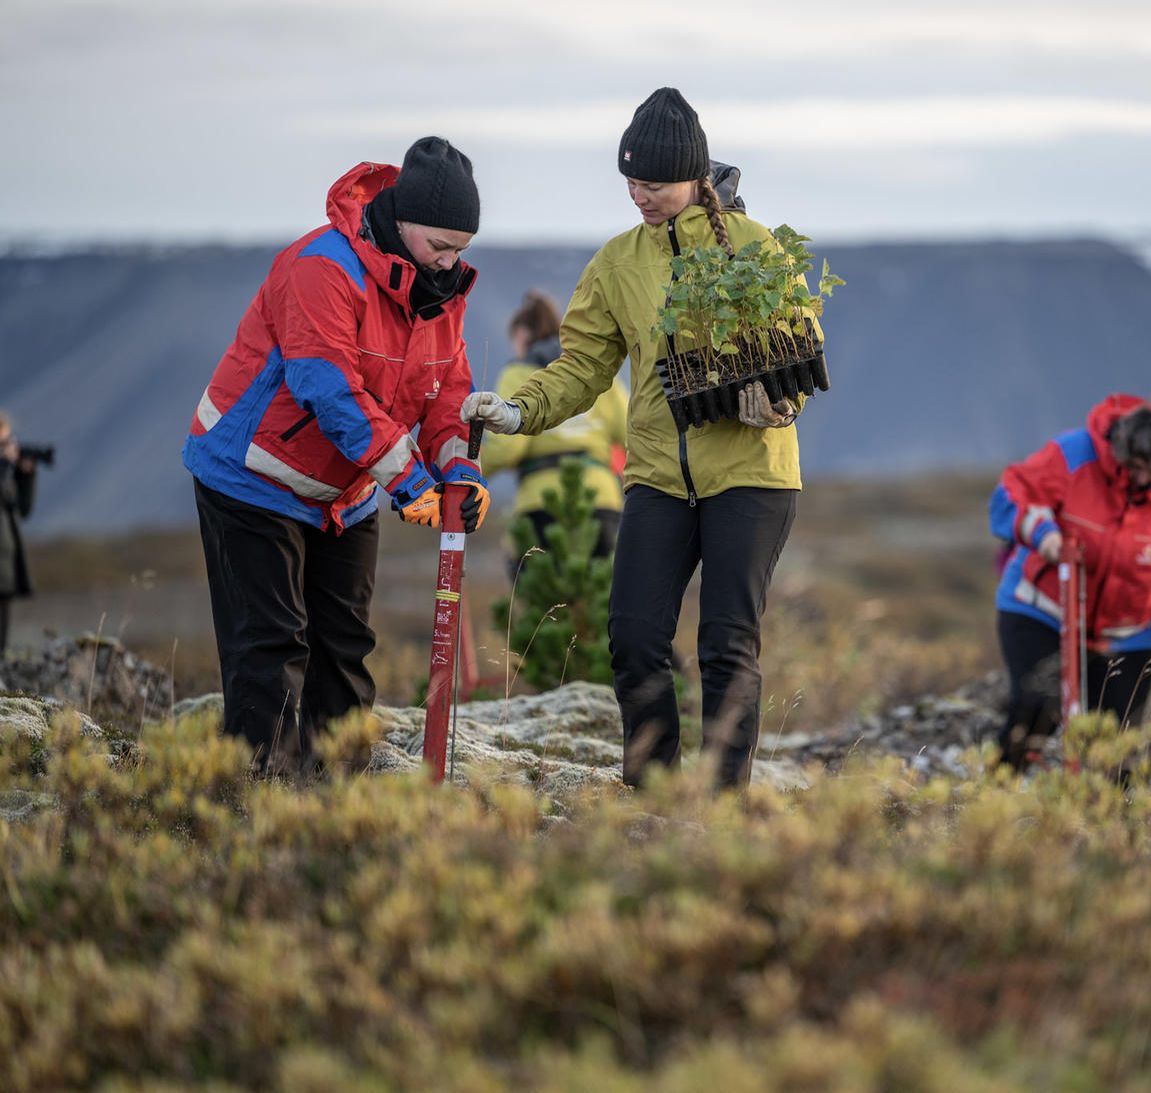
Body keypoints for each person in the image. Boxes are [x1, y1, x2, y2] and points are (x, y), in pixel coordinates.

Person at [463, 88, 808, 789]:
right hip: (657, 475)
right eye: (631, 183)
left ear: (695, 175)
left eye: (654, 184)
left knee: (724, 644)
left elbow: (801, 345)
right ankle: (651, 789)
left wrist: (777, 400)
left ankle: (722, 804)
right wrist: (517, 412)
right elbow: (581, 365)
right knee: (634, 636)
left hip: (752, 474)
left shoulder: (752, 246)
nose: (640, 197)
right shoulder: (619, 262)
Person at [183, 137, 490, 775]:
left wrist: (458, 470)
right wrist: (407, 480)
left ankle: (339, 798)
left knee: (344, 646)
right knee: (271, 646)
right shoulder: (321, 267)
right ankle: (252, 801)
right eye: (440, 245)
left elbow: (446, 393)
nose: (449, 262)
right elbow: (328, 387)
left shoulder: (439, 293)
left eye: (461, 249)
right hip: (250, 480)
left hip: (343, 496)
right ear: (401, 220)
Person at [989, 395, 1151, 769]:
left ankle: (1106, 820)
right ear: (1120, 450)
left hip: (1130, 635)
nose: (1143, 478)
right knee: (1037, 707)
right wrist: (1044, 535)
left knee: (1117, 749)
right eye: (1136, 467)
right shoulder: (1073, 455)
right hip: (1043, 611)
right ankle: (996, 802)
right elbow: (1011, 494)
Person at [481, 289, 628, 569]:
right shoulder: (594, 372)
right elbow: (631, 431)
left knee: (544, 605)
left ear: (523, 335)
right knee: (602, 604)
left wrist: (468, 472)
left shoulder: (517, 374)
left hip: (541, 504)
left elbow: (507, 446)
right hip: (600, 500)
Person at [0, 411, 38, 655]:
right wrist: (4, 466)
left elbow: (22, 509)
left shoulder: (5, 476)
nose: (8, 447)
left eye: (8, 440)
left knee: (2, 642)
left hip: (5, 568)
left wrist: (26, 476)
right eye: (2, 443)